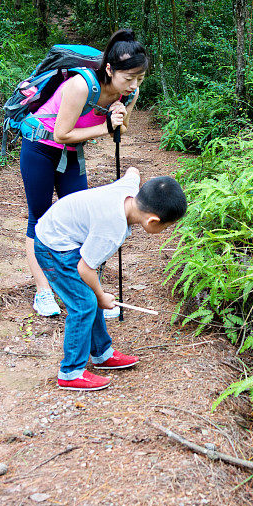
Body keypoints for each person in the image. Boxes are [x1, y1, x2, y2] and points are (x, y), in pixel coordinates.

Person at [20, 29, 148, 318]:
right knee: (39, 217)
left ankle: (89, 292)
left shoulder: (131, 92)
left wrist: (118, 117)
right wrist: (107, 126)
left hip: (72, 153)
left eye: (139, 78)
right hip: (40, 147)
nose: (134, 85)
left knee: (83, 216)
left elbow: (122, 128)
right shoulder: (81, 86)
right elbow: (61, 133)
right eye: (128, 78)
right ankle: (43, 291)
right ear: (109, 69)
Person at [33, 167, 187, 390]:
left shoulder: (130, 189)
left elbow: (132, 172)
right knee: (85, 303)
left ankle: (102, 353)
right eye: (167, 226)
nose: (166, 230)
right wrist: (101, 296)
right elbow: (85, 269)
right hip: (54, 247)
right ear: (153, 221)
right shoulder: (111, 229)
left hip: (65, 235)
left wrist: (132, 173)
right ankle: (70, 372)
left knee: (89, 298)